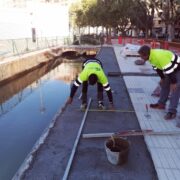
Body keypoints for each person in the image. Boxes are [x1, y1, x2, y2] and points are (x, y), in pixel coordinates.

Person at [138, 45, 180, 120]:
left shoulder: (158, 56)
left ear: (146, 54)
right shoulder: (151, 57)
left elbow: (170, 71)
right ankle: (161, 104)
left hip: (178, 68)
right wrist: (162, 78)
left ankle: (172, 112)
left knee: (175, 89)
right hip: (171, 69)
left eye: (141, 56)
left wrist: (174, 83)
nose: (141, 58)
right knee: (164, 84)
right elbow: (157, 68)